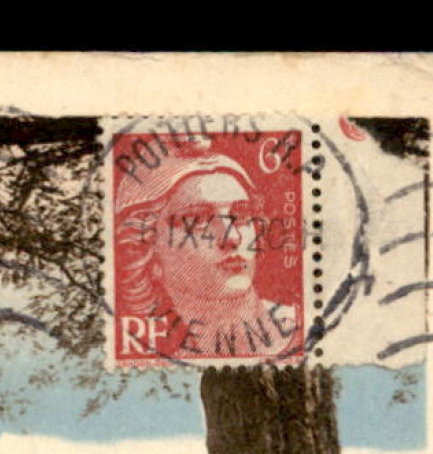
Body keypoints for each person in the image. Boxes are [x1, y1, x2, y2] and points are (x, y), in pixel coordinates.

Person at [114, 137, 301, 363]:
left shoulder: (304, 328)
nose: (231, 237)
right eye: (196, 220)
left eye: (241, 215)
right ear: (146, 250)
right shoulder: (161, 359)